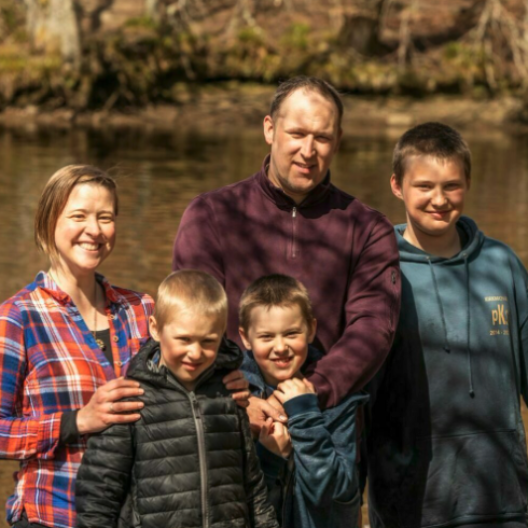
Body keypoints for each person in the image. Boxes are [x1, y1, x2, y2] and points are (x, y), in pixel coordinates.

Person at [0, 166, 248, 528]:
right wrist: (76, 421)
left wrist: (226, 384)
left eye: (106, 217)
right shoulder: (16, 318)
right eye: (79, 216)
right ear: (48, 221)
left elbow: (186, 385)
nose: (95, 230)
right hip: (53, 514)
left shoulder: (142, 309)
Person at [173, 76, 400, 425]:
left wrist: (307, 394)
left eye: (322, 137)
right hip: (231, 418)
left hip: (326, 421)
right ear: (270, 129)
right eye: (297, 134)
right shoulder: (211, 215)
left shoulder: (367, 228)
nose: (308, 151)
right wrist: (237, 399)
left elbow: (373, 329)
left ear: (337, 141)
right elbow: (191, 319)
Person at [364, 122, 528, 528]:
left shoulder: (501, 264)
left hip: (503, 493)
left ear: (468, 184)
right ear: (397, 186)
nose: (439, 199)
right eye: (424, 186)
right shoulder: (378, 271)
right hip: (412, 500)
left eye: (452, 185)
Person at [76, 270, 279, 528]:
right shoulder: (129, 401)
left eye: (208, 341)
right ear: (156, 329)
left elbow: (252, 485)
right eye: (184, 339)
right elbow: (98, 495)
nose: (195, 353)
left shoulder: (229, 395)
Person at [238, 274, 367, 528]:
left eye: (291, 333)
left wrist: (305, 417)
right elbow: (234, 498)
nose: (281, 347)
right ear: (245, 337)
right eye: (266, 337)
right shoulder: (236, 397)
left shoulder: (336, 397)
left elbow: (335, 493)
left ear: (311, 329)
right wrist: (270, 458)